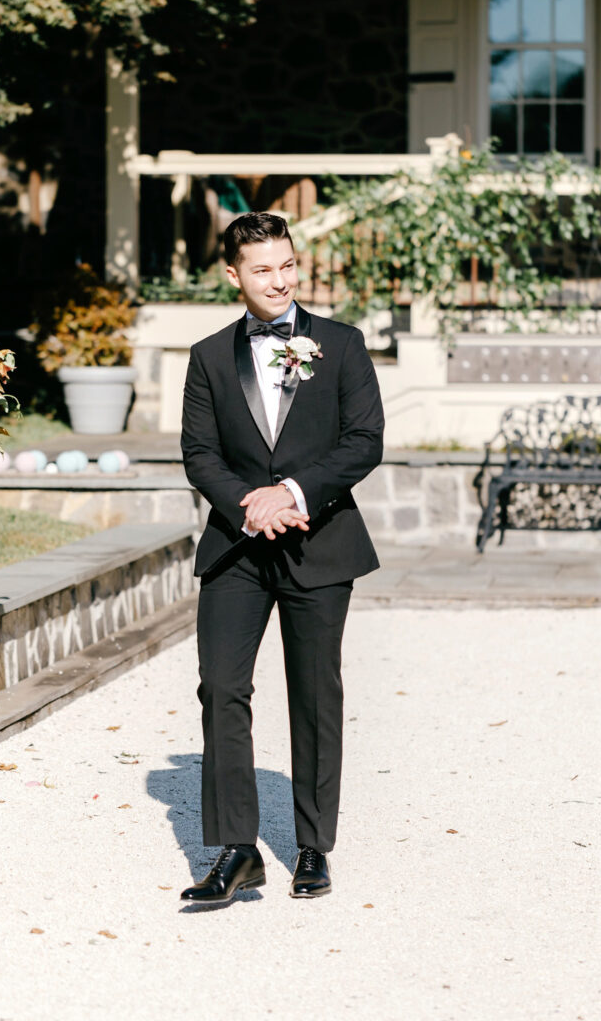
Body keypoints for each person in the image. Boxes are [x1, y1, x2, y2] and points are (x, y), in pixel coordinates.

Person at [179, 212, 384, 904]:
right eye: (262, 269)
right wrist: (250, 503)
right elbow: (200, 454)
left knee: (314, 693)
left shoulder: (342, 344)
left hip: (320, 540)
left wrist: (290, 493)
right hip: (236, 547)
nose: (279, 279)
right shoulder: (208, 357)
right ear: (233, 275)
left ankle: (311, 849)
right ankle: (238, 849)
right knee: (221, 688)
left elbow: (363, 441)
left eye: (287, 265)